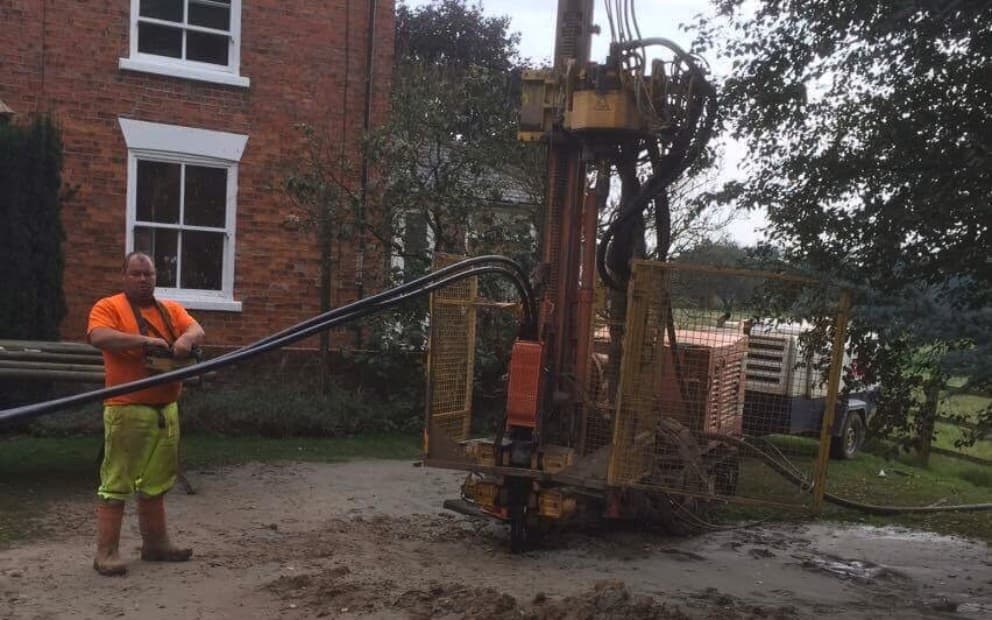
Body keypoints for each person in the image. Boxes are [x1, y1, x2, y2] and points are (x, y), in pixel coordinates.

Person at [87, 251, 205, 576]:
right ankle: (106, 553)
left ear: (155, 277)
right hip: (127, 409)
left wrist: (185, 339)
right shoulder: (108, 306)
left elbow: (197, 329)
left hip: (166, 410)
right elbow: (98, 335)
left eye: (148, 274)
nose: (143, 279)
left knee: (157, 482)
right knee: (116, 483)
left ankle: (156, 544)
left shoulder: (170, 309)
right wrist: (144, 342)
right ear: (124, 276)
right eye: (136, 274)